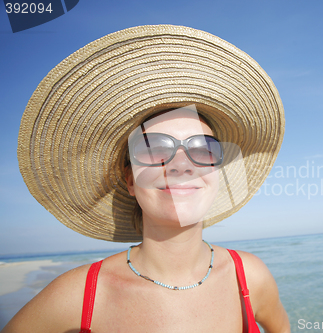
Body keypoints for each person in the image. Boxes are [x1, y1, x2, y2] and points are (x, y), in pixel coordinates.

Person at [4, 25, 289, 332]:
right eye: (154, 149)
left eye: (202, 148)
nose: (182, 165)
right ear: (129, 179)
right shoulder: (79, 296)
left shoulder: (249, 277)